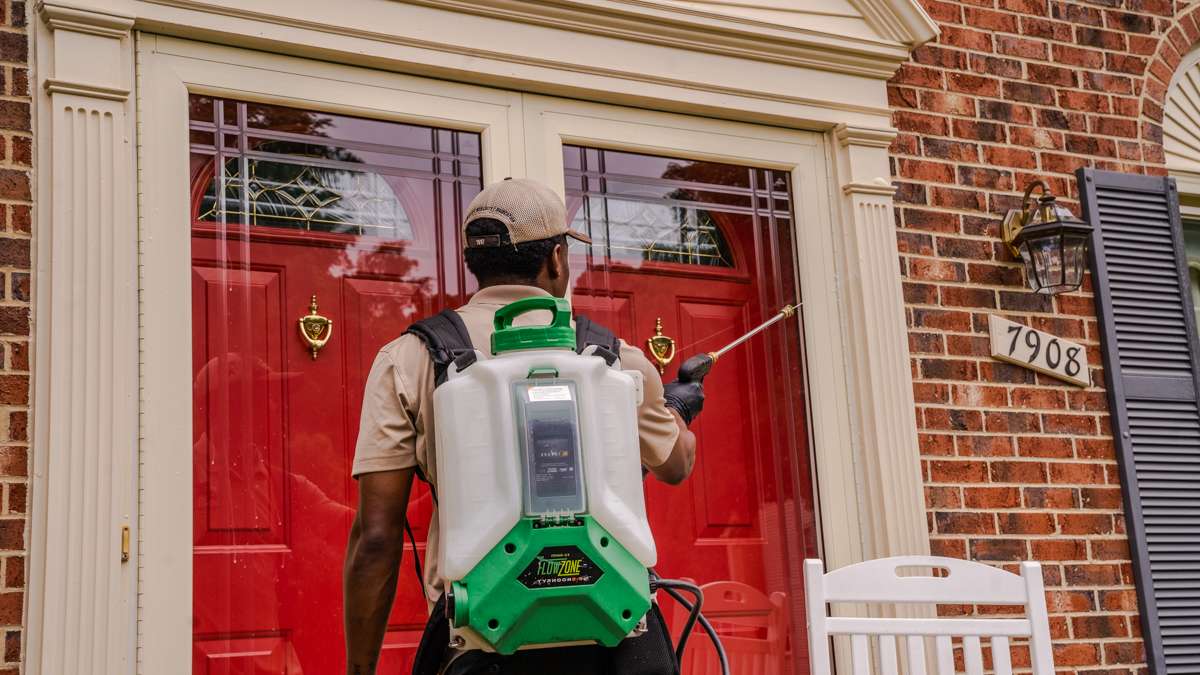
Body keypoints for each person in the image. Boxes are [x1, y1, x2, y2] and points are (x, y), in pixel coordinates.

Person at [343, 177, 706, 675]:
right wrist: (677, 410)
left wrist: (360, 669)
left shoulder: (408, 359)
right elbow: (676, 465)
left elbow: (377, 537)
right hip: (613, 636)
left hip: (478, 640)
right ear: (557, 259)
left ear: (474, 264)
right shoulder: (614, 358)